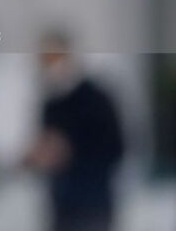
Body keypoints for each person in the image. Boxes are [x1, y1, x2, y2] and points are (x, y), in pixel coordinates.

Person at [22, 31, 125, 231]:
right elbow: (48, 148)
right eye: (45, 58)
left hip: (93, 208)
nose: (48, 64)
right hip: (61, 208)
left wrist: (70, 152)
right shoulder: (51, 104)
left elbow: (117, 149)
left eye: (54, 57)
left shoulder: (97, 100)